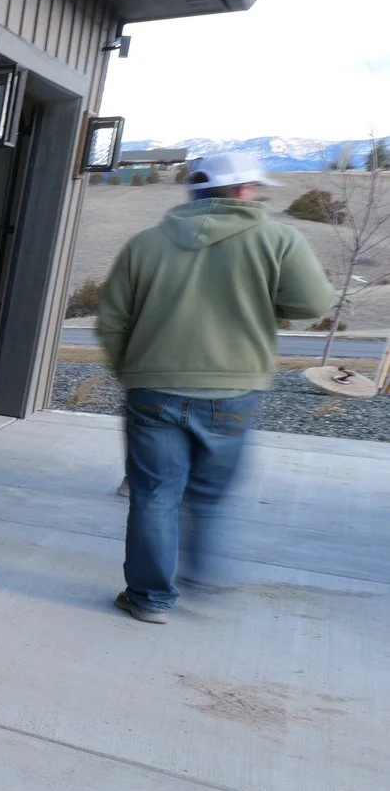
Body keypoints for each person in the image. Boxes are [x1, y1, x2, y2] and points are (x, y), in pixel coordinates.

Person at [94, 149, 334, 622]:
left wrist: (133, 372)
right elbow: (312, 304)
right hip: (233, 391)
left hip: (153, 388)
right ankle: (202, 575)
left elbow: (111, 321)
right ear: (244, 190)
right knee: (205, 495)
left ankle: (149, 598)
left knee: (155, 494)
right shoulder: (279, 239)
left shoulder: (145, 243)